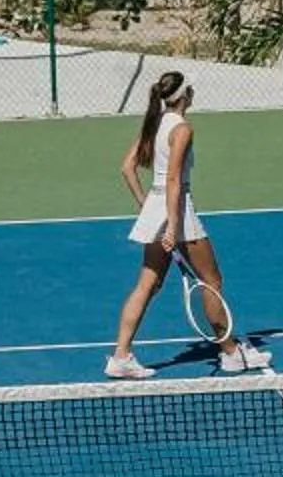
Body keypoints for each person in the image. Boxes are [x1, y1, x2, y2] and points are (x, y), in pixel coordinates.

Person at [105, 70, 269, 381]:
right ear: (186, 96)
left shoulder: (155, 123)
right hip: (178, 211)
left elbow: (127, 168)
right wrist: (172, 226)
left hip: (158, 208)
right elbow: (173, 179)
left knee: (147, 285)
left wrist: (147, 208)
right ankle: (230, 353)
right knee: (211, 280)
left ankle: (120, 356)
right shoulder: (182, 129)